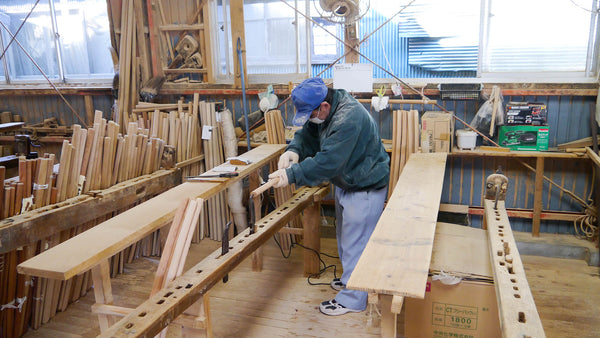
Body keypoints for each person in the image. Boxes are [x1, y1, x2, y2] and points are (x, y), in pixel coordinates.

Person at [268, 77, 389, 316]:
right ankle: (350, 281)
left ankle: (354, 299)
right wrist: (294, 149)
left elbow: (327, 163)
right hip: (349, 180)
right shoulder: (328, 106)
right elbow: (310, 132)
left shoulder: (348, 118)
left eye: (311, 113)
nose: (311, 118)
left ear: (323, 106)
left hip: (365, 185)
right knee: (346, 239)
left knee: (357, 244)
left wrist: (292, 175)